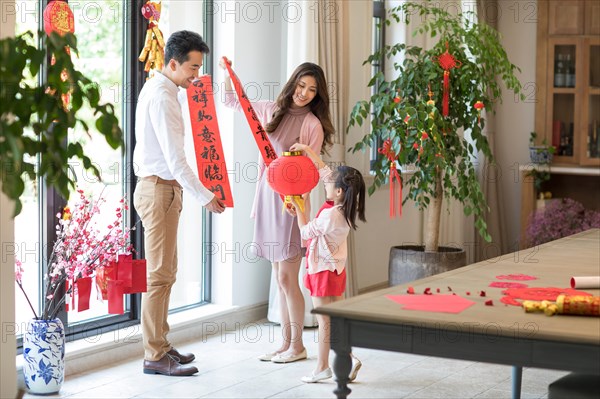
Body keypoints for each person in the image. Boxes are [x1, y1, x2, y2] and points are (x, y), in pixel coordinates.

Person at [220, 59, 334, 363]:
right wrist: (229, 74)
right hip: (266, 197)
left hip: (291, 204)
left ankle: (297, 345)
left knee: (287, 276)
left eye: (312, 90)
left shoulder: (313, 125)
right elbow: (232, 100)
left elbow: (312, 172)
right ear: (292, 83)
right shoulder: (271, 109)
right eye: (301, 85)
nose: (304, 93)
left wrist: (295, 201)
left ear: (318, 94)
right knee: (278, 276)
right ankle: (287, 344)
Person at [134, 30, 226, 377]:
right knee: (159, 276)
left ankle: (161, 345)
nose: (197, 76)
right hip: (159, 190)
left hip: (163, 190)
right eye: (192, 68)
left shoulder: (164, 90)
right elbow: (176, 161)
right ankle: (154, 355)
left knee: (166, 274)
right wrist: (207, 197)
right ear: (172, 63)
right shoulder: (163, 96)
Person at [287, 143, 366, 384]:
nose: (326, 184)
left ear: (340, 191)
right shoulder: (342, 210)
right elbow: (324, 172)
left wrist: (300, 205)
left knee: (324, 320)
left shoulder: (330, 215)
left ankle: (322, 367)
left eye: (331, 184)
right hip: (335, 270)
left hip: (322, 270)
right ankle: (348, 358)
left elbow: (305, 231)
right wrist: (307, 151)